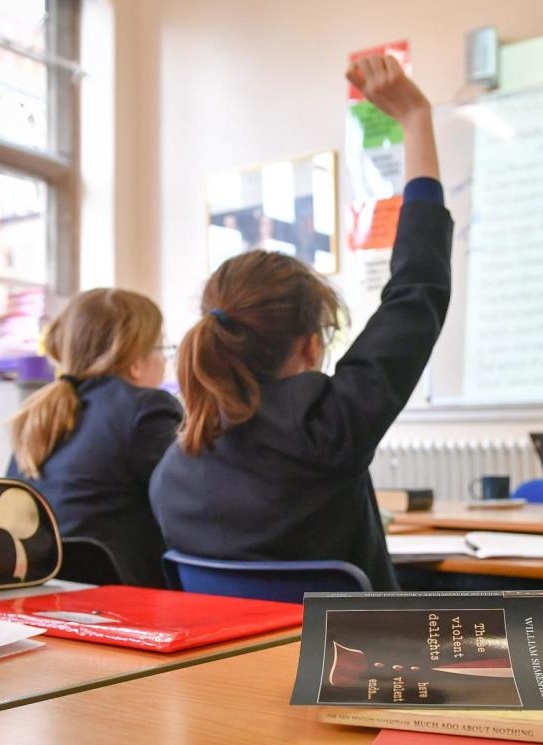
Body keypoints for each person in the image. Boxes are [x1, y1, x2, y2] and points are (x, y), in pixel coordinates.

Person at [150, 55, 450, 591]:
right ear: (309, 347)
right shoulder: (330, 428)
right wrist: (416, 119)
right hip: (357, 673)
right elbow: (417, 289)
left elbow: (415, 292)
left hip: (227, 677)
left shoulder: (172, 472)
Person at [7, 289, 181, 587]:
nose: (164, 361)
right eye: (162, 349)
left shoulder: (38, 415)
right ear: (136, 363)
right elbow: (185, 507)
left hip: (45, 593)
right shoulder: (146, 408)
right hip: (125, 600)